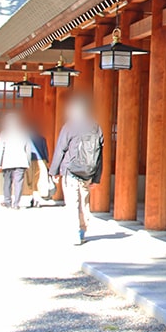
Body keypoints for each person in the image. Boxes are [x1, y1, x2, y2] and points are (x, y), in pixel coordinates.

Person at [50, 96, 103, 245]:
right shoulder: (95, 127)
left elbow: (61, 149)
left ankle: (74, 234)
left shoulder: (70, 126)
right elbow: (99, 154)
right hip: (87, 173)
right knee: (84, 203)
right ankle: (82, 231)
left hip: (70, 170)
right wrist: (97, 177)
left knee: (72, 203)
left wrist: (54, 171)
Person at [0, 112, 31, 210]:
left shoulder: (4, 133)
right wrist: (28, 161)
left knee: (7, 181)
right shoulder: (24, 133)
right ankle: (16, 204)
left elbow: (0, 149)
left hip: (8, 161)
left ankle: (7, 201)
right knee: (18, 182)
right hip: (21, 161)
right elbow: (28, 148)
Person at [25, 124, 52, 208]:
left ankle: (33, 197)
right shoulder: (42, 139)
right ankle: (37, 198)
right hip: (41, 160)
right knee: (40, 180)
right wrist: (47, 161)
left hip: (30, 160)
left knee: (31, 180)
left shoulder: (27, 139)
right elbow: (45, 150)